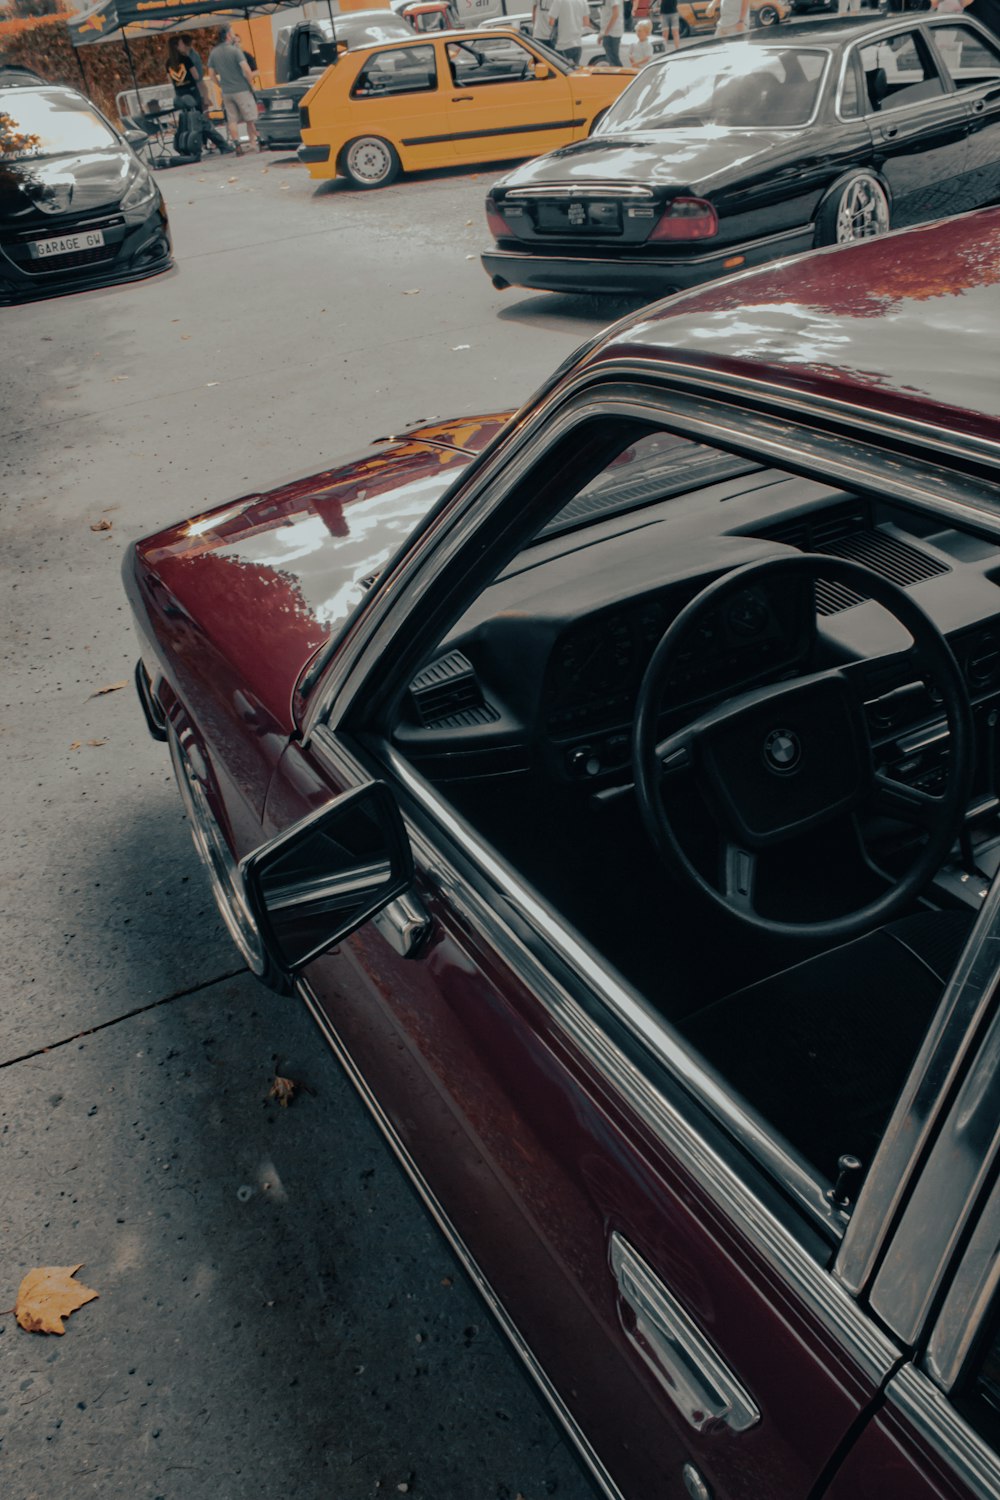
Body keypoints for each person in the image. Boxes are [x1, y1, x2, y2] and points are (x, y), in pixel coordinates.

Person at [208, 24, 259, 154]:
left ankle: (237, 144)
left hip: (226, 92)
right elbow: (247, 70)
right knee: (250, 118)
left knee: (232, 120)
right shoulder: (235, 51)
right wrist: (251, 84)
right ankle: (254, 142)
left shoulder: (214, 53)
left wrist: (220, 85)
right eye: (232, 33)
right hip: (241, 89)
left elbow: (211, 75)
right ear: (228, 35)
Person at [548, 0, 590, 65]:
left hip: (563, 45)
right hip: (578, 45)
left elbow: (551, 22)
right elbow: (586, 23)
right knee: (574, 72)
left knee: (561, 71)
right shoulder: (583, 1)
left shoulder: (558, 1)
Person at [598, 0, 624, 64]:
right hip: (610, 32)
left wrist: (605, 32)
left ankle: (620, 73)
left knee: (613, 60)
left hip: (612, 33)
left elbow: (615, 14)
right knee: (612, 59)